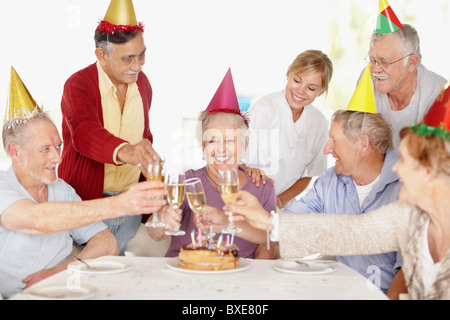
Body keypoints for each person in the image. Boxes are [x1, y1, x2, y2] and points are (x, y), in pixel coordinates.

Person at [227, 83, 450, 300]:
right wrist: (267, 221)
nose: (397, 167)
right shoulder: (408, 218)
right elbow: (345, 232)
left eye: (406, 161)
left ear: (430, 172)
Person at [0, 68, 165, 299]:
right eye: (45, 149)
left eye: (58, 146)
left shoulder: (62, 189)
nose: (57, 158)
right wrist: (122, 204)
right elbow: (36, 220)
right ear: (14, 151)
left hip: (67, 289)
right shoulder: (2, 185)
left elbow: (107, 243)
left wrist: (56, 273)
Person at [58, 0, 160, 255]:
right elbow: (84, 133)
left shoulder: (143, 84)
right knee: (85, 280)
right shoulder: (78, 84)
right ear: (101, 55)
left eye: (142, 54)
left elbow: (144, 137)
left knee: (119, 280)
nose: (138, 65)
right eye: (128, 58)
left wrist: (153, 194)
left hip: (129, 207)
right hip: (88, 202)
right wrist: (128, 152)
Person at [147, 69, 277, 259]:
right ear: (202, 146)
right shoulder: (186, 181)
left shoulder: (262, 187)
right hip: (185, 272)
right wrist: (163, 218)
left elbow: (268, 242)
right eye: (213, 141)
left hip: (236, 276)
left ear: (245, 145)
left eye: (231, 140)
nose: (222, 150)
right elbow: (155, 234)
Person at [283, 109, 404, 297]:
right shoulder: (330, 180)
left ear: (363, 143)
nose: (326, 149)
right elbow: (288, 225)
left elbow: (409, 269)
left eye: (334, 140)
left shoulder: (408, 183)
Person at [245, 50, 333, 208]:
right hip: (250, 200)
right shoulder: (264, 108)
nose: (300, 91)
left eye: (311, 88)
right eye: (297, 80)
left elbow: (309, 174)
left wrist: (279, 201)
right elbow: (238, 161)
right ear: (288, 74)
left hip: (284, 207)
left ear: (321, 92)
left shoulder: (319, 123)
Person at [366, 4, 446, 148]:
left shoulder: (439, 93)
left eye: (384, 61)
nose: (375, 69)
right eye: (372, 60)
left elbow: (438, 161)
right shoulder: (367, 80)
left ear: (411, 63)